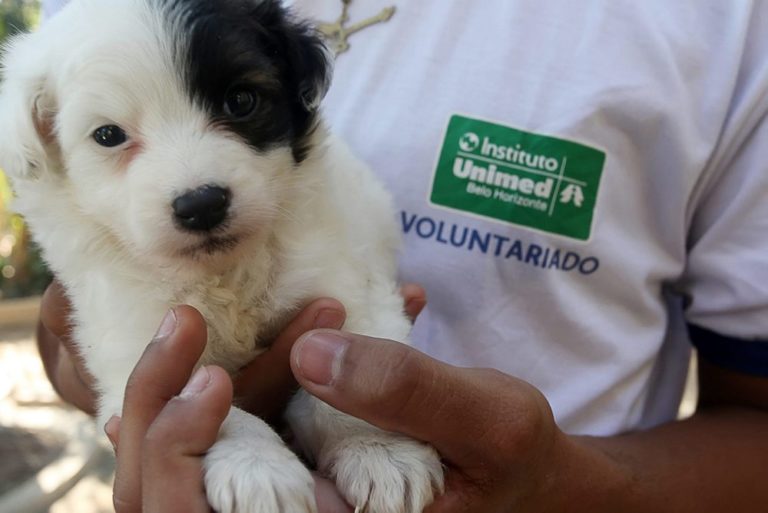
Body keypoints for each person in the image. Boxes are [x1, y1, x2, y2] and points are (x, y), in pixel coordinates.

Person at [36, 0, 768, 511]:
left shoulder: (726, 24)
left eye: (241, 105)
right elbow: (65, 321)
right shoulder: (79, 41)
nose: (191, 179)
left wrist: (564, 487)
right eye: (113, 139)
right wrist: (95, 363)